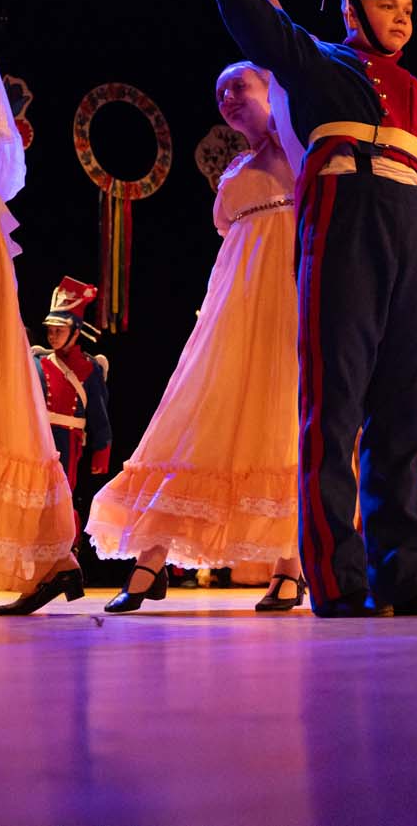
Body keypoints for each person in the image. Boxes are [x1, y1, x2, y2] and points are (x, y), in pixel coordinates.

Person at [212, 0, 417, 617]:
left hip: (412, 240)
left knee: (406, 416)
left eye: (407, 6)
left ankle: (406, 576)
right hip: (345, 227)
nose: (402, 16)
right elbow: (247, 12)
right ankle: (336, 579)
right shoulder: (318, 62)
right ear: (355, 10)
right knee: (333, 409)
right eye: (386, 4)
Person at [86, 61, 306, 613]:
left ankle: (290, 566)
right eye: (220, 91)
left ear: (271, 91)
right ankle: (152, 557)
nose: (228, 97)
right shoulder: (238, 165)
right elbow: (228, 230)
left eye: (240, 87)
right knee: (198, 413)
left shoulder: (297, 147)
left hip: (285, 292)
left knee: (281, 414)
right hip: (234, 299)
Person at [30, 278, 112, 508]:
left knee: (62, 497)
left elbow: (98, 413)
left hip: (68, 441)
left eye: (59, 330)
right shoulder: (38, 362)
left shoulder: (89, 368)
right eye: (50, 330)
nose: (53, 336)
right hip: (39, 437)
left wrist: (102, 449)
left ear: (75, 331)